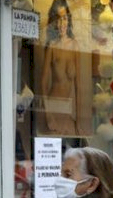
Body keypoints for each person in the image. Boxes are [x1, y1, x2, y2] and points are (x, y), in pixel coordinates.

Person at [40, 0, 83, 136]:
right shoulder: (52, 47)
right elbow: (43, 83)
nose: (61, 24)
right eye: (57, 19)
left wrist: (79, 119)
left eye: (64, 18)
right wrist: (48, 115)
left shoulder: (75, 46)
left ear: (68, 20)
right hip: (53, 107)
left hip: (67, 109)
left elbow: (78, 85)